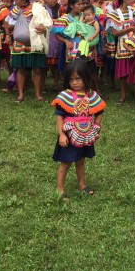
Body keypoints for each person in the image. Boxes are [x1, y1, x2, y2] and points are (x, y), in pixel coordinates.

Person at [51, 60, 106, 200]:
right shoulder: (65, 96)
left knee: (81, 161)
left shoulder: (92, 96)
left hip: (86, 135)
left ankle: (82, 185)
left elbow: (100, 111)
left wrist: (96, 128)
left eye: (77, 78)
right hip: (69, 136)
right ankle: (59, 189)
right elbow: (59, 116)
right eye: (71, 79)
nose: (74, 82)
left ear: (85, 78)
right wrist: (61, 134)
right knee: (66, 163)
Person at [5, 0, 50, 102]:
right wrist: (7, 34)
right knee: (20, 68)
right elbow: (6, 21)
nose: (15, 2)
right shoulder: (16, 10)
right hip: (20, 43)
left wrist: (44, 28)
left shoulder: (38, 8)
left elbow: (48, 22)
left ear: (23, 0)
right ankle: (20, 95)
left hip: (35, 42)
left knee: (37, 69)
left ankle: (38, 95)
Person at [106, 0, 135, 104]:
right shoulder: (114, 14)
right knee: (123, 73)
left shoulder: (134, 11)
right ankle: (123, 94)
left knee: (134, 69)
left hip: (134, 43)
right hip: (122, 45)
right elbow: (115, 33)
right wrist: (130, 29)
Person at [44, 0, 63, 91]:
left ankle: (56, 84)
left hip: (57, 39)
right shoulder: (43, 9)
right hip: (46, 38)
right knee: (44, 65)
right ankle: (43, 85)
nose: (50, 1)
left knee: (55, 65)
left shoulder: (61, 9)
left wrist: (52, 21)